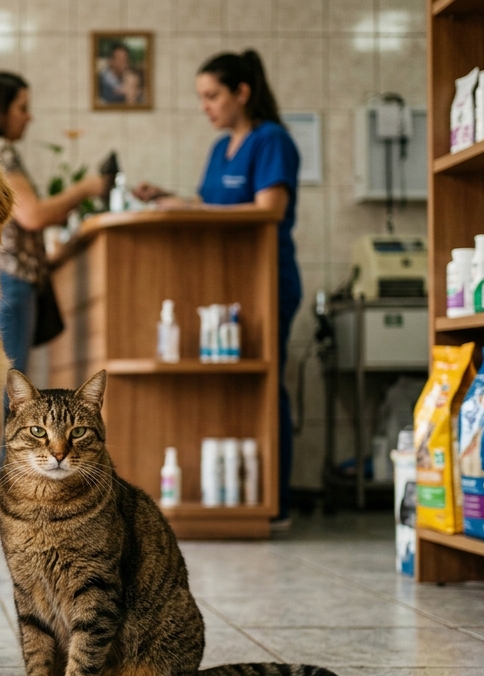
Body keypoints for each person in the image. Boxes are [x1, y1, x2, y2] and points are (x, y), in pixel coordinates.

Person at [142, 49, 302, 529]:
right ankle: (234, 493)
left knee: (265, 381)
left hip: (267, 280)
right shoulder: (220, 150)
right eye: (201, 98)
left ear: (242, 93)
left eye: (212, 96)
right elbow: (212, 206)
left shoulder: (272, 140)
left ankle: (276, 503)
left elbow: (268, 209)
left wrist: (194, 210)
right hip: (225, 284)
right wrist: (170, 200)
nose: (205, 107)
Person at [0, 71, 109, 516]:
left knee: (8, 391)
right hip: (11, 282)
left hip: (7, 280)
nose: (28, 117)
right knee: (14, 395)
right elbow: (32, 215)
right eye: (21, 107)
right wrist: (87, 188)